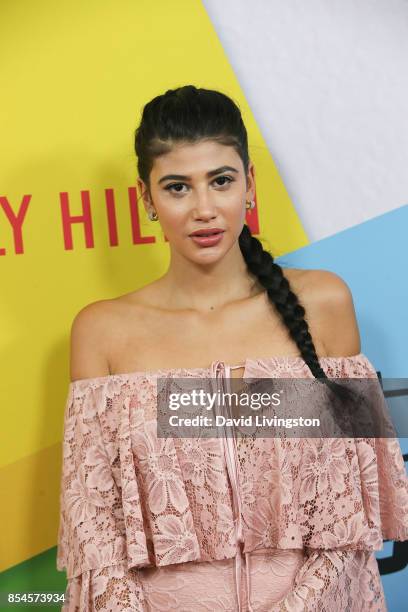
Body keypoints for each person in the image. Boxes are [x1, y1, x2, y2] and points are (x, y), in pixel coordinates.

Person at [56, 85, 408, 611]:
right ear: (146, 199)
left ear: (249, 185)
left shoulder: (323, 303)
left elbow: (346, 513)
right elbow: (95, 531)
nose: (204, 209)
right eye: (177, 187)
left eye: (221, 180)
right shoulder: (103, 331)